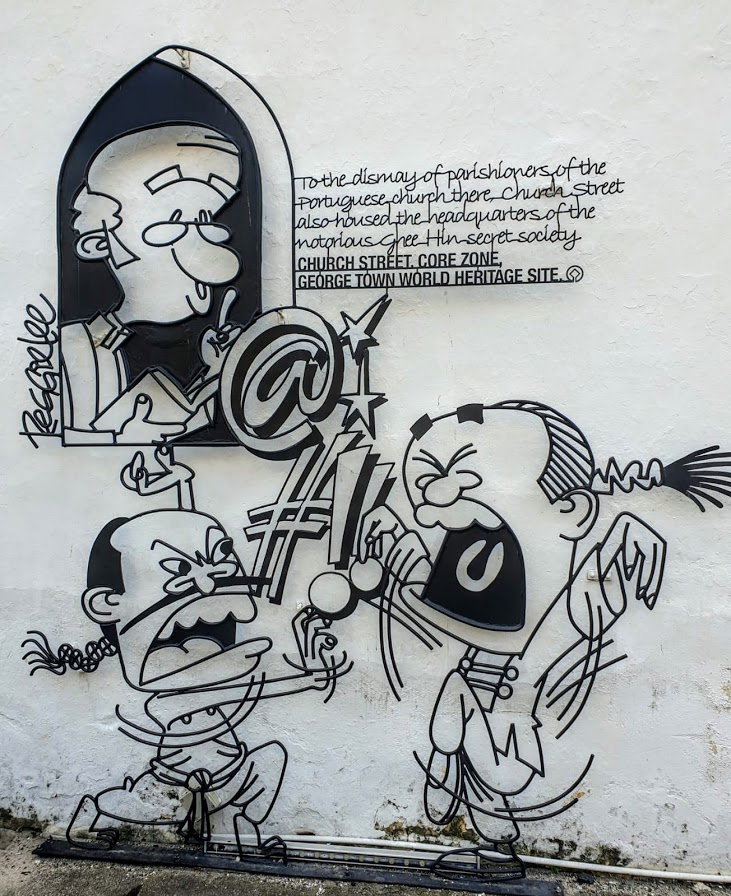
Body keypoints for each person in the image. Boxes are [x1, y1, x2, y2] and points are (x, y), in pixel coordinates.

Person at [356, 399, 730, 878]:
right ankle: (456, 780)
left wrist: (404, 569)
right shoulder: (481, 559)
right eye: (430, 483)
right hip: (480, 691)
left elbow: (471, 618)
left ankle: (485, 828)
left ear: (573, 512)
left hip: (513, 714)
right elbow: (440, 602)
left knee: (491, 772)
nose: (439, 498)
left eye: (464, 479)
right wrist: (402, 551)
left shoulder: (571, 602)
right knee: (457, 710)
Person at [23, 508, 350, 853]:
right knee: (140, 804)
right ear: (106, 605)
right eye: (178, 568)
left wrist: (309, 674)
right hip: (175, 775)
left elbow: (250, 685)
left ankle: (247, 832)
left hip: (229, 767)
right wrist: (296, 677)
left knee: (270, 759)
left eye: (222, 555)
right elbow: (226, 691)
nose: (208, 583)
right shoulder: (166, 698)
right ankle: (92, 815)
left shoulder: (233, 674)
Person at [61, 125, 246, 445]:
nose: (199, 240)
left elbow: (179, 420)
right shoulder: (75, 349)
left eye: (205, 220)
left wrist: (217, 372)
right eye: (175, 219)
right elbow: (80, 445)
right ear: (100, 242)